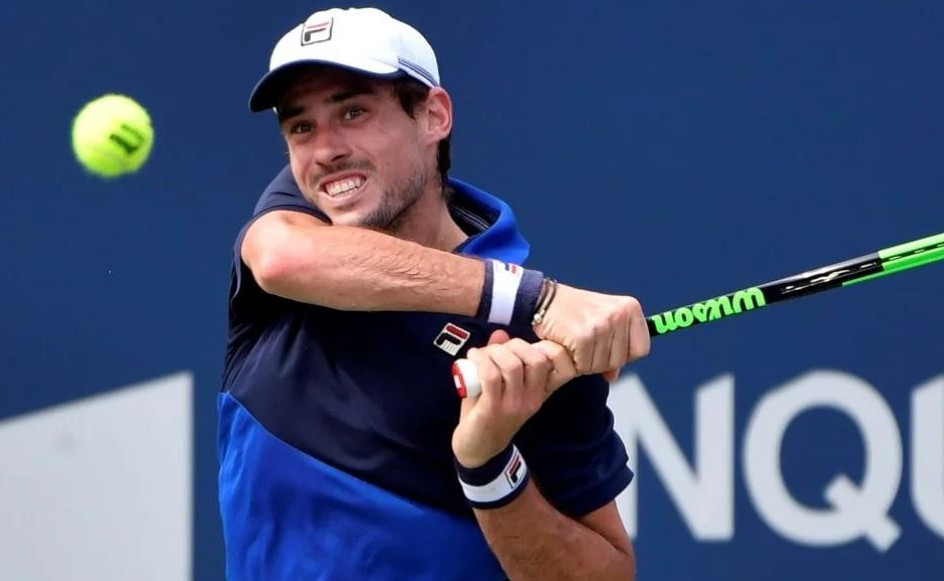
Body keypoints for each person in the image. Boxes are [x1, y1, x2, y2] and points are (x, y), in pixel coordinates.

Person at [220, 7, 650, 581]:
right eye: (301, 127)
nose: (324, 151)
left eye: (353, 112)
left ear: (433, 115)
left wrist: (489, 466)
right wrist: (534, 299)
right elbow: (281, 258)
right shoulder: (301, 217)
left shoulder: (531, 341)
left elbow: (606, 575)